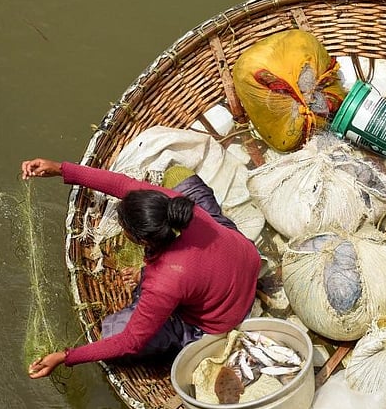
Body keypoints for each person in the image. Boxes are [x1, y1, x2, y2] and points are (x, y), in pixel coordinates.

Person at [21, 158, 261, 379]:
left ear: (143, 240)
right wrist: (61, 169)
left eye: (125, 227)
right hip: (245, 256)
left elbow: (130, 342)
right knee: (178, 175)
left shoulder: (164, 281)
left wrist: (66, 357)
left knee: (113, 333)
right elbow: (123, 184)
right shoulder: (172, 207)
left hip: (223, 319)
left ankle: (184, 336)